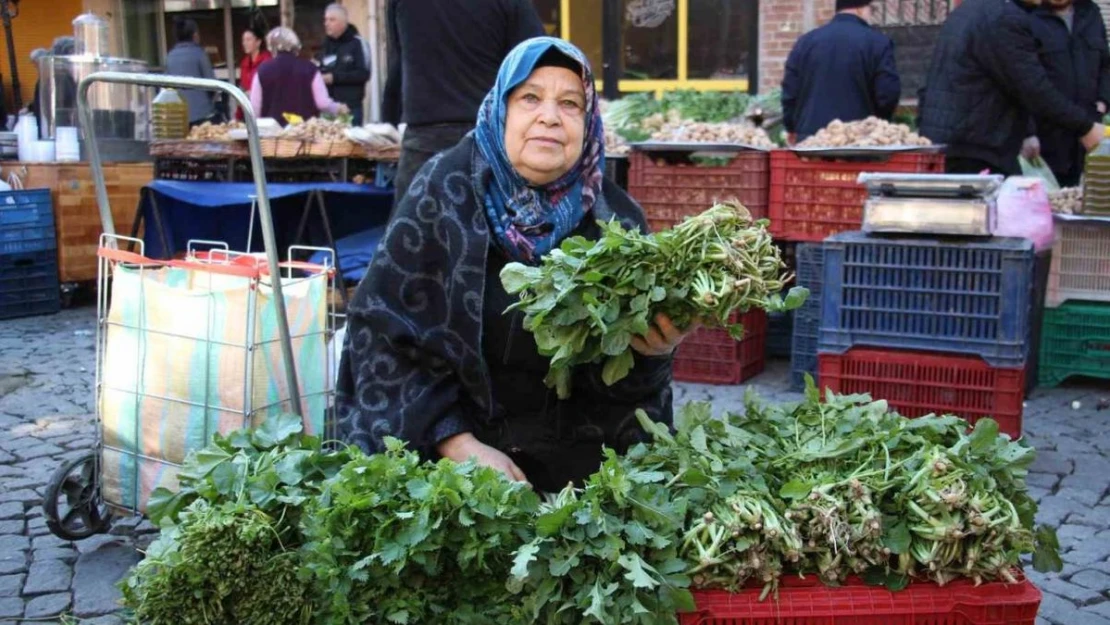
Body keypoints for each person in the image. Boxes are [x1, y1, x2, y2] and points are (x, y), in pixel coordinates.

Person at [338, 37, 691, 492]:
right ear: (500, 109)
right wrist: (456, 443)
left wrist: (652, 354)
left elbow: (630, 399)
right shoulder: (443, 194)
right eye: (530, 98)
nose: (549, 116)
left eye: (570, 103)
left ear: (589, 124)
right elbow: (382, 336)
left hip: (573, 471)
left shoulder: (617, 225)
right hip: (450, 462)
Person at [382, 0, 545, 209]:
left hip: (427, 137)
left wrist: (388, 120)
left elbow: (397, 63)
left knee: (411, 234)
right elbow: (536, 62)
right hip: (490, 136)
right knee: (500, 233)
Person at [919, 0, 1105, 176]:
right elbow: (1033, 88)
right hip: (977, 150)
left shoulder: (971, 9)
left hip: (957, 144)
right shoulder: (1003, 18)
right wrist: (1085, 128)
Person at [781, 0, 901, 144]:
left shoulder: (805, 42)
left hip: (812, 141)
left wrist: (792, 127)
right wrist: (880, 126)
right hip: (860, 141)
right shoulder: (878, 43)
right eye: (871, 9)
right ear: (861, 9)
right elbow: (888, 94)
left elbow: (790, 92)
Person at [1020, 0, 1110, 186]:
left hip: (1089, 132)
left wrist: (1103, 101)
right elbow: (1020, 81)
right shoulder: (1026, 17)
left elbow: (1105, 65)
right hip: (1047, 137)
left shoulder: (1090, 12)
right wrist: (1028, 131)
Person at [250, 27, 349, 125]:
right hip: (304, 133)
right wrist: (339, 108)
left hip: (271, 135)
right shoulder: (310, 69)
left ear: (271, 46)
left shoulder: (262, 71)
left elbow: (255, 108)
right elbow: (322, 103)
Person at [319, 4, 370, 125]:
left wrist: (334, 78)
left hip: (351, 108)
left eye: (331, 19)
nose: (326, 23)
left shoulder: (358, 44)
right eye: (325, 19)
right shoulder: (326, 45)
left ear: (343, 22)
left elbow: (364, 74)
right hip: (329, 110)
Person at [165, 18, 217, 126]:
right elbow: (212, 86)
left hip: (178, 117)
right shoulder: (200, 54)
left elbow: (167, 88)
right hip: (202, 115)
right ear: (195, 35)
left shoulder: (169, 57)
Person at [236, 27, 272, 121]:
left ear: (258, 42)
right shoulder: (244, 63)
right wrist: (237, 116)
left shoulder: (267, 61)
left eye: (248, 40)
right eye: (243, 40)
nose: (245, 43)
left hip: (265, 112)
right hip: (248, 112)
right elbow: (242, 90)